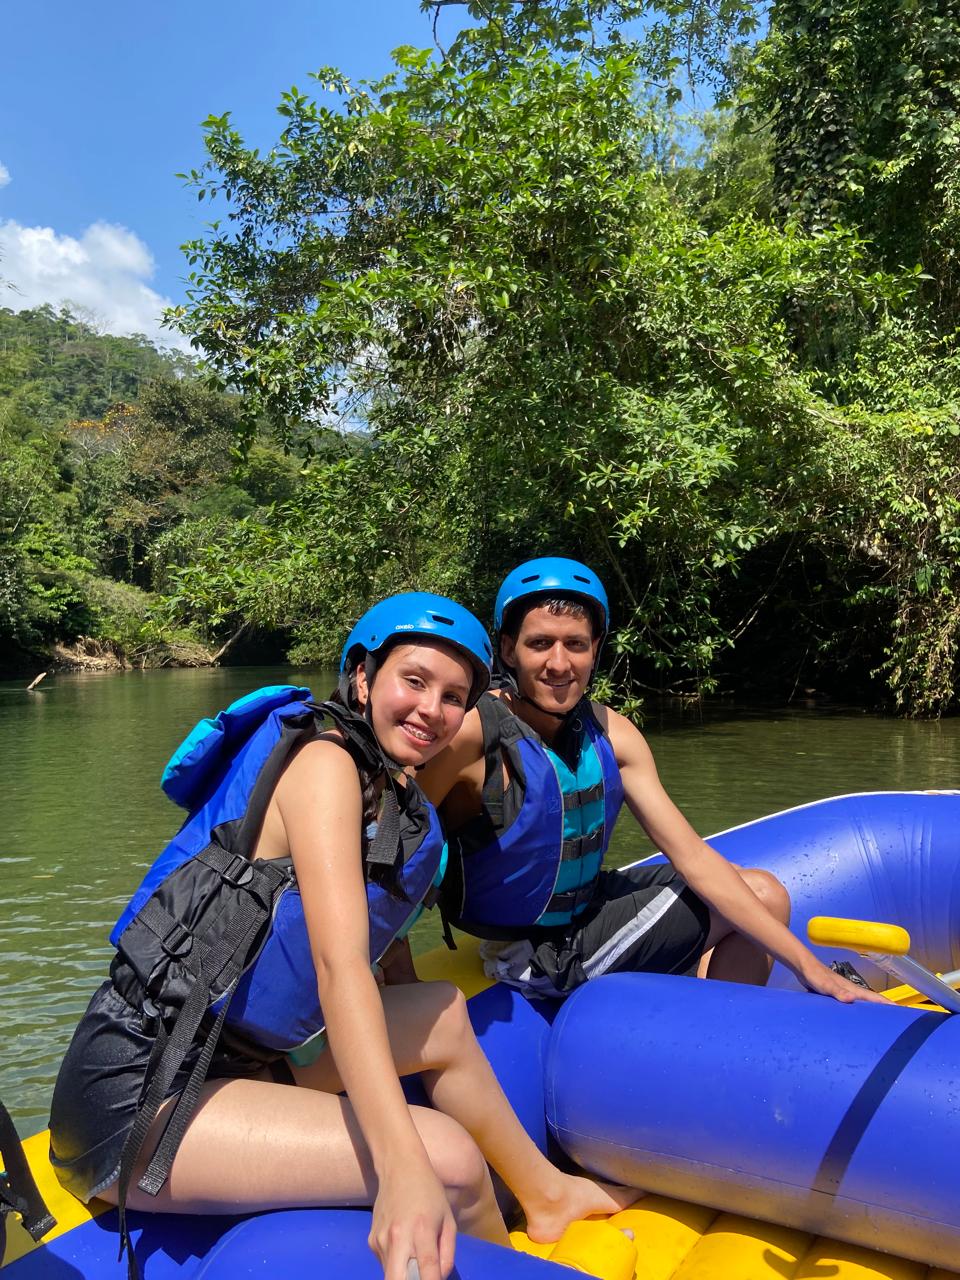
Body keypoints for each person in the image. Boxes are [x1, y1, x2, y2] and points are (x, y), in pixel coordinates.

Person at [48, 592, 637, 1280]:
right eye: (413, 681)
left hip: (235, 1055)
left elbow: (370, 936)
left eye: (453, 697)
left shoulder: (386, 785)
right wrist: (401, 1164)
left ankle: (546, 1195)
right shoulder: (324, 764)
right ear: (363, 677)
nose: (432, 710)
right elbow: (338, 966)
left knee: (443, 1012)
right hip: (141, 1094)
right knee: (445, 1158)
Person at [419, 559, 886, 1005]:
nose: (559, 664)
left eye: (575, 644)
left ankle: (716, 1026)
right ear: (507, 650)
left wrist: (809, 967)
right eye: (540, 643)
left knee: (764, 890)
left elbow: (692, 856)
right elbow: (400, 841)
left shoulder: (614, 734)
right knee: (759, 899)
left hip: (585, 910)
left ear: (595, 649)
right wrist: (393, 964)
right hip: (533, 953)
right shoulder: (471, 735)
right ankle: (716, 1028)